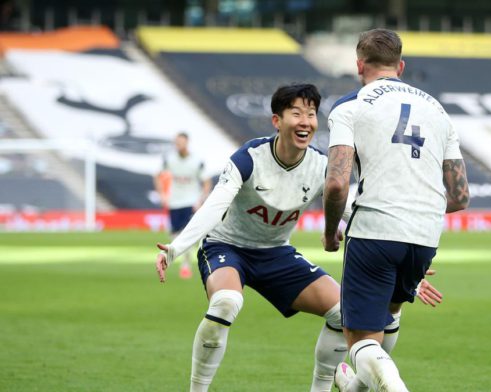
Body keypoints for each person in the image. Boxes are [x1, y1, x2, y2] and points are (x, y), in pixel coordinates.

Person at [154, 84, 442, 392]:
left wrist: (400, 262)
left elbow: (353, 214)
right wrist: (175, 249)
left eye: (311, 114)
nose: (306, 121)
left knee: (343, 312)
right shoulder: (249, 157)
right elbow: (214, 206)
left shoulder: (320, 166)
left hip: (275, 253)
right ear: (277, 120)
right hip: (226, 247)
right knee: (226, 301)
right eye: (296, 113)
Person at [322, 28, 470, 392]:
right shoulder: (437, 110)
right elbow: (461, 195)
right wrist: (419, 215)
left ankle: (395, 386)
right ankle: (355, 387)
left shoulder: (350, 105)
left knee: (358, 339)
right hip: (424, 235)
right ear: (400, 65)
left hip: (375, 229)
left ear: (359, 65)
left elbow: (338, 182)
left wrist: (329, 233)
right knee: (386, 316)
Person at [153, 132, 211, 279]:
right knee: (173, 234)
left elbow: (206, 181)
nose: (178, 145)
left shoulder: (196, 161)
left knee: (186, 233)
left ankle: (185, 265)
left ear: (187, 142)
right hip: (174, 201)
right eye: (176, 142)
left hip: (190, 202)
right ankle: (179, 258)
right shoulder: (169, 159)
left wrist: (200, 200)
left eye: (181, 142)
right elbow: (157, 175)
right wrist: (162, 194)